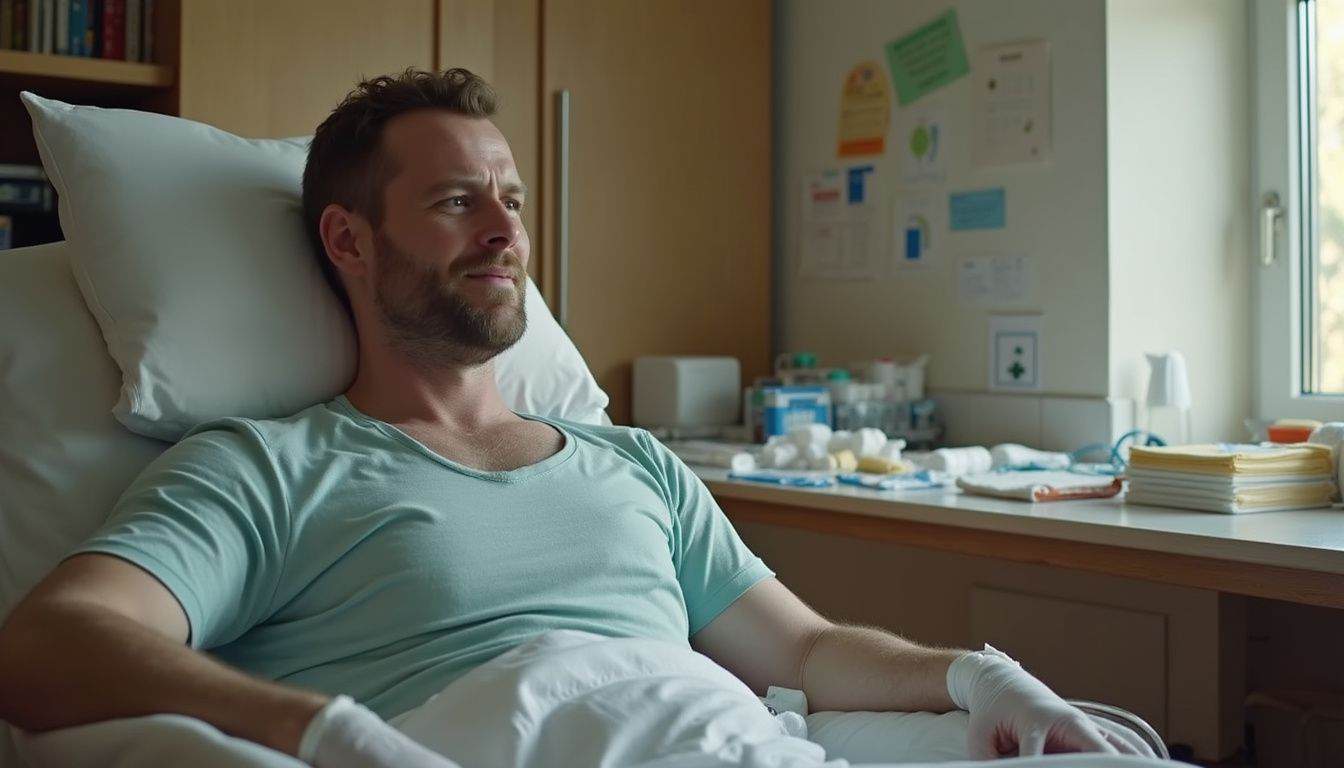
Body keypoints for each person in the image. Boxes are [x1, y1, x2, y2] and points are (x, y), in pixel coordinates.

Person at [0, 69, 1140, 767]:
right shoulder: (265, 469)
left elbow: (801, 648)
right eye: (456, 203)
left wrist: (975, 678)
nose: (506, 233)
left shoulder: (631, 462)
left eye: (511, 199)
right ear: (350, 242)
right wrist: (319, 734)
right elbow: (48, 647)